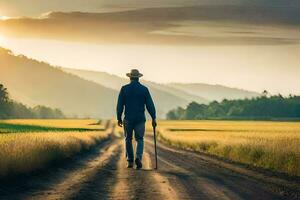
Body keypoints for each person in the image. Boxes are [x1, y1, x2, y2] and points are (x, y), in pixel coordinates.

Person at [117, 69, 157, 169]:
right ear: (138, 77)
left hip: (128, 118)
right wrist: (153, 117)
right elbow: (150, 105)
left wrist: (119, 117)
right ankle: (138, 157)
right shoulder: (144, 89)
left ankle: (130, 161)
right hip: (140, 119)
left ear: (130, 77)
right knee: (140, 139)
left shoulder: (124, 89)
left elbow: (120, 105)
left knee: (128, 139)